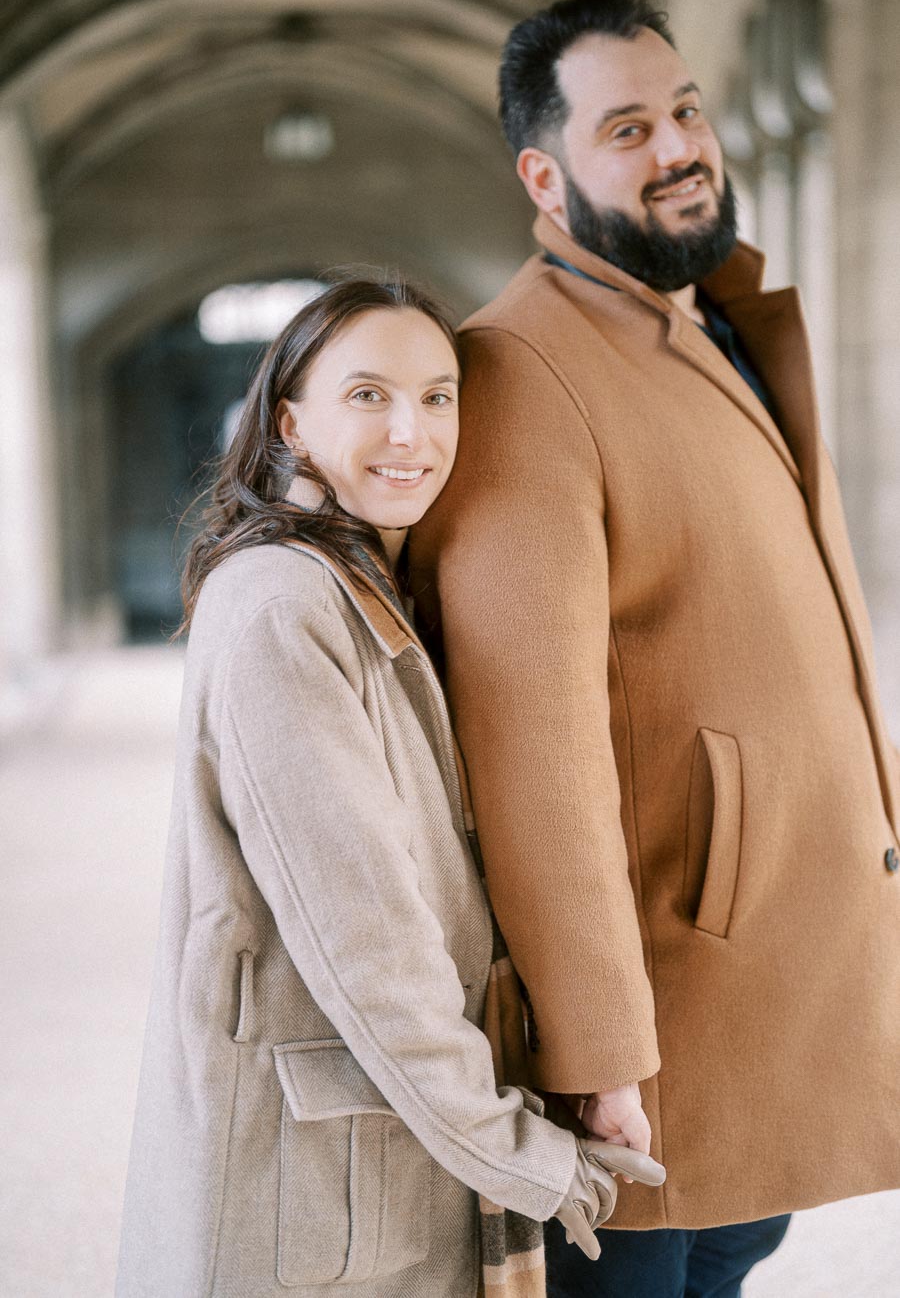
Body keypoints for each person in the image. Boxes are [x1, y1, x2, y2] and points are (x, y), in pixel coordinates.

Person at [410, 0, 900, 1298]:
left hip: (759, 992)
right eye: (626, 128)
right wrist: (594, 1050)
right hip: (656, 1020)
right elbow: (533, 752)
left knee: (734, 1256)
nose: (679, 145)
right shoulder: (523, 371)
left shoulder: (702, 318)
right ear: (546, 171)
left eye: (685, 111)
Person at [114, 277, 665, 1298]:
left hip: (370, 1168)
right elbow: (363, 944)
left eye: (439, 396)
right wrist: (529, 1159)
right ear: (290, 420)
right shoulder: (284, 604)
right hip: (311, 1201)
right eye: (368, 395)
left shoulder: (368, 583)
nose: (411, 430)